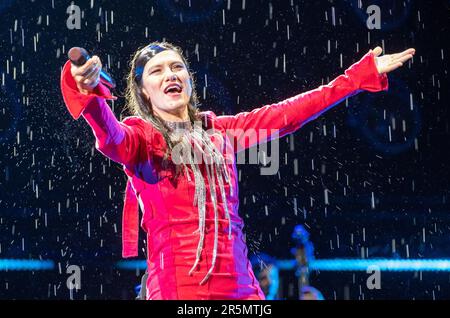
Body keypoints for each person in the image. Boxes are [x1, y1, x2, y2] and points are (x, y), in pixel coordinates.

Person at [60, 41, 415, 299]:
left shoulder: (223, 131)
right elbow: (110, 133)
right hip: (178, 291)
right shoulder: (142, 138)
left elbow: (289, 114)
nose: (170, 74)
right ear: (143, 91)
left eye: (177, 66)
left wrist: (355, 78)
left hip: (243, 293)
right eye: (157, 70)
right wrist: (90, 95)